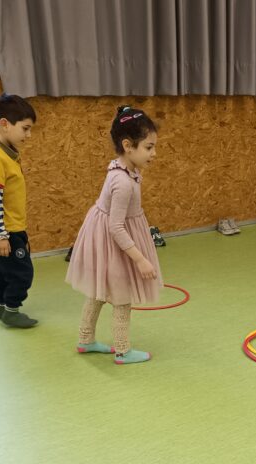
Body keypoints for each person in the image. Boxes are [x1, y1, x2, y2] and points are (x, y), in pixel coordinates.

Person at [66, 105, 163, 364]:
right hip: (113, 241)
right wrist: (140, 260)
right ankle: (122, 350)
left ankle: (86, 340)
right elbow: (116, 227)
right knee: (122, 297)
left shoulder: (125, 168)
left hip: (107, 236)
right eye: (149, 147)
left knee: (98, 292)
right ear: (128, 145)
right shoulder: (122, 182)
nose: (154, 153)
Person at [0, 93, 38, 328]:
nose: (28, 135)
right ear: (5, 124)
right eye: (25, 128)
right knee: (22, 272)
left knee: (2, 270)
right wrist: (0, 235)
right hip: (5, 230)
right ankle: (12, 309)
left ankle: (1, 306)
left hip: (5, 227)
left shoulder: (5, 151)